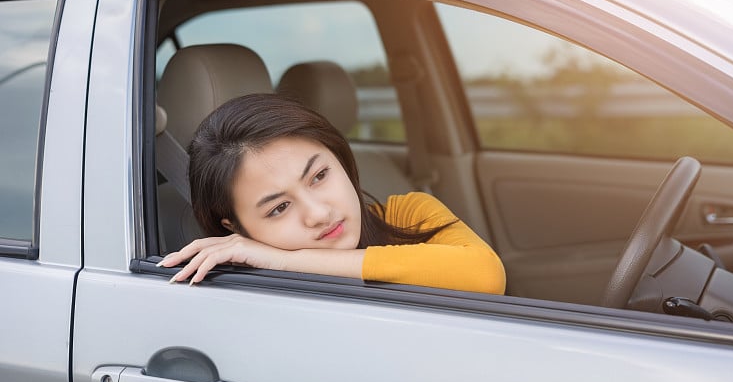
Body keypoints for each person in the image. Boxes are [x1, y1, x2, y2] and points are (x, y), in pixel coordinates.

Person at [159, 93, 506, 294]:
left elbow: (485, 276)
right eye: (279, 208)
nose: (319, 214)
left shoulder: (409, 215)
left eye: (319, 175)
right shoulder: (245, 290)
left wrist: (286, 260)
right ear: (233, 228)